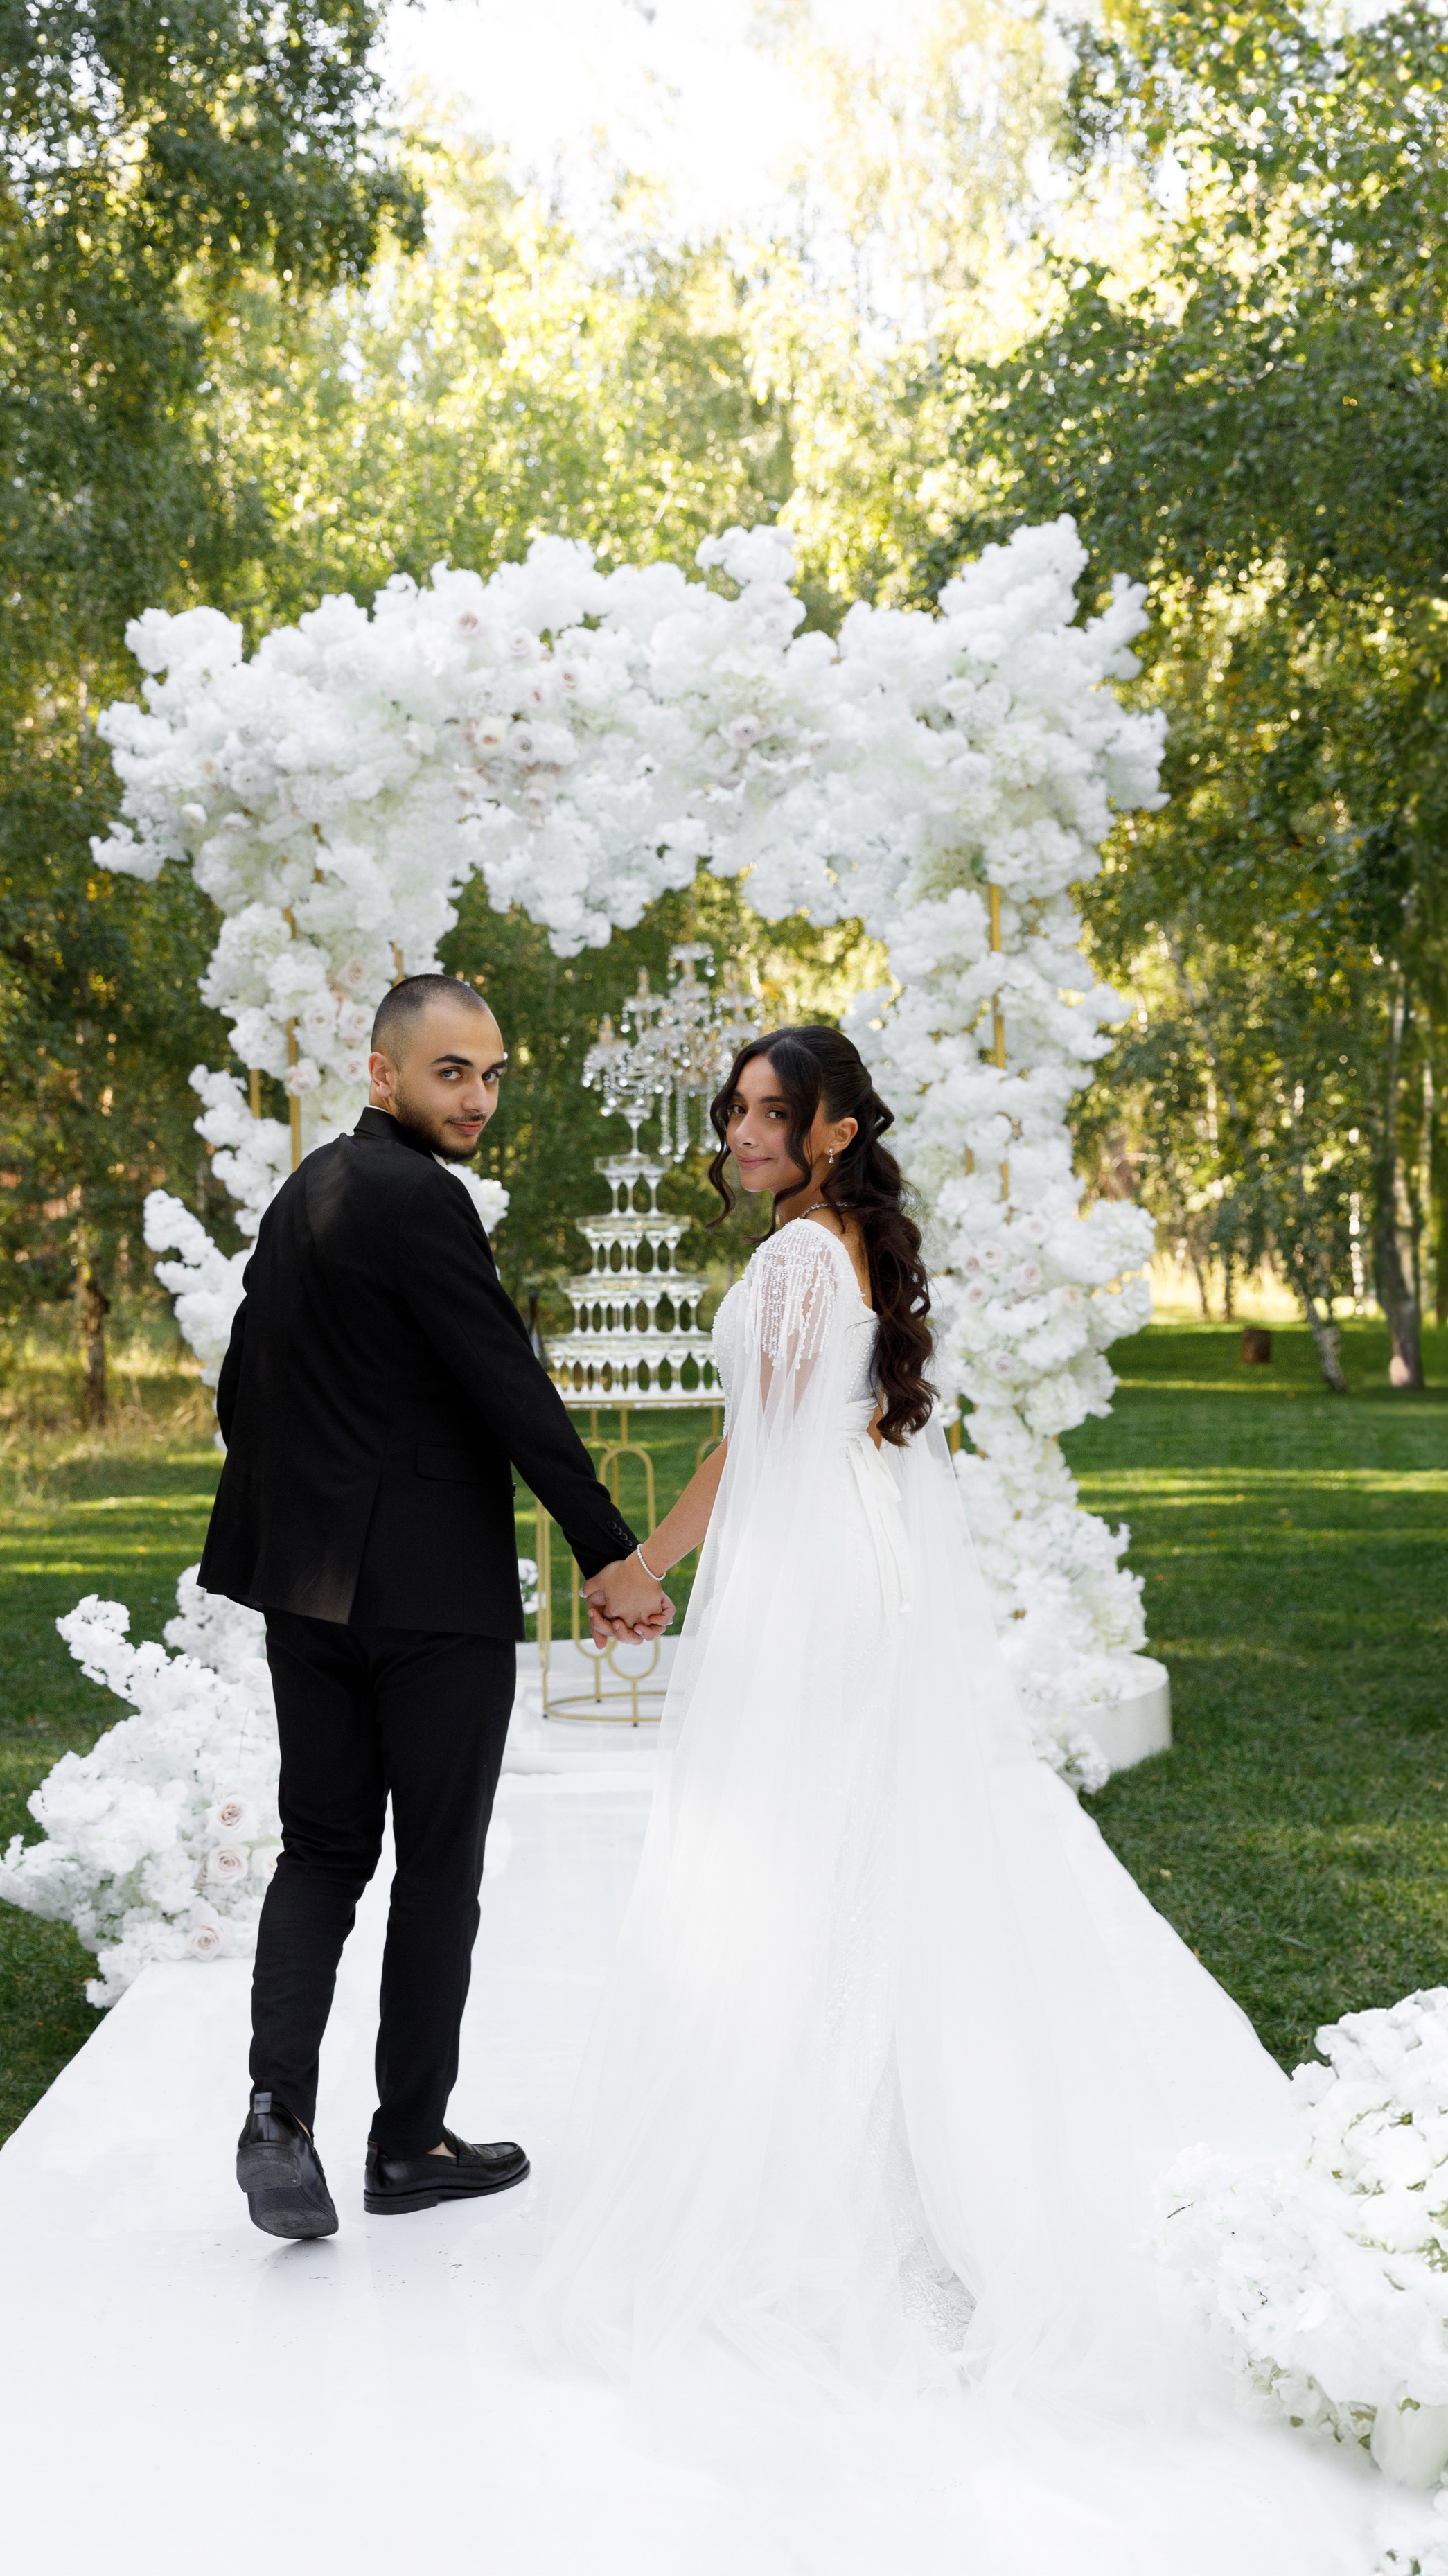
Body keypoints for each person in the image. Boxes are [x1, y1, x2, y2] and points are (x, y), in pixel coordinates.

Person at [538, 1025, 1310, 2544]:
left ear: (830, 1130)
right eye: (738, 1108)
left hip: (806, 1576)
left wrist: (642, 1566)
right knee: (856, 1846)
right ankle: (907, 2146)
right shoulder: (851, 1248)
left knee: (795, 1851)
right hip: (858, 1563)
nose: (745, 1129)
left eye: (773, 1111)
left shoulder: (794, 1265)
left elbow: (741, 1447)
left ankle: (824, 2172)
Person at [202, 974, 672, 2241]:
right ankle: (407, 2142)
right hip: (431, 1598)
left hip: (306, 1588)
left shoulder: (306, 1193)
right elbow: (511, 1389)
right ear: (384, 1073)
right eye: (452, 1071)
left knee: (321, 1849)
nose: (478, 1096)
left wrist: (312, 1503)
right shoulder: (428, 1202)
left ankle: (273, 2113)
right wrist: (612, 1554)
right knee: (436, 1868)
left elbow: (242, 1392)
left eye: (492, 1073)